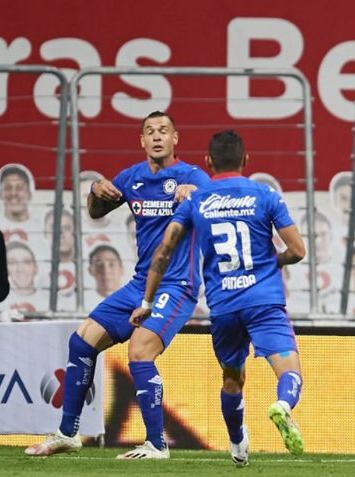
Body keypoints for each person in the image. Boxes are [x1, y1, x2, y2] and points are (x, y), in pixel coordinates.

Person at [25, 111, 211, 459]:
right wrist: (95, 190)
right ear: (142, 141)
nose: (157, 137)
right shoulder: (133, 177)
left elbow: (213, 204)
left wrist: (197, 194)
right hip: (141, 284)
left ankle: (157, 443)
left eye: (164, 131)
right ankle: (68, 433)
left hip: (178, 285)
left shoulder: (191, 176)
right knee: (82, 341)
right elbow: (96, 211)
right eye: (150, 132)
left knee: (139, 351)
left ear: (175, 139)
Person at [130, 129, 306, 465]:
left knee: (232, 377)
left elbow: (164, 251)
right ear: (246, 160)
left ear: (209, 162)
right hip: (264, 302)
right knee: (289, 372)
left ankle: (238, 444)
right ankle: (282, 406)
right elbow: (297, 251)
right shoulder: (265, 195)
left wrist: (147, 303)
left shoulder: (197, 200)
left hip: (224, 307)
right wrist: (271, 260)